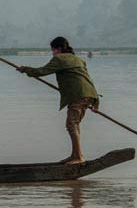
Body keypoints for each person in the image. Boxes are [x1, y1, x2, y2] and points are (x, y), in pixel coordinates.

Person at [17, 36, 100, 165]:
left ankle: (78, 156)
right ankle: (75, 155)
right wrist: (95, 101)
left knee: (72, 124)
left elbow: (41, 71)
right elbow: (87, 79)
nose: (52, 53)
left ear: (59, 49)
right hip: (89, 94)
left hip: (78, 95)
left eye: (53, 50)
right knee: (74, 124)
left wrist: (25, 69)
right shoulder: (79, 60)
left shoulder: (59, 58)